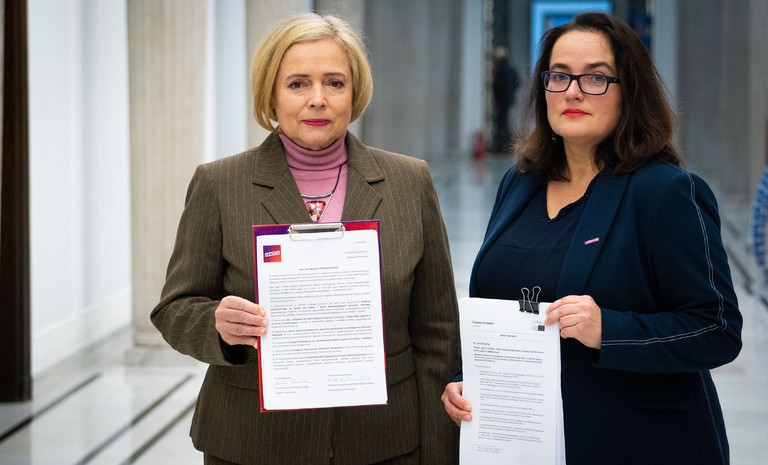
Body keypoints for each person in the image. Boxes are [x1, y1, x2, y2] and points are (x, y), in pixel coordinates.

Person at [151, 12, 461, 465]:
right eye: (297, 84)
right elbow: (174, 310)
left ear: (355, 93)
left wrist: (439, 451)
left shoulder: (408, 181)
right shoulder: (219, 184)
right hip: (253, 441)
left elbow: (438, 332)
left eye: (335, 83)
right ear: (271, 96)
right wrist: (216, 324)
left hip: (382, 440)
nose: (318, 99)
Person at [442, 12, 742, 465]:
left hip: (636, 442)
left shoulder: (664, 192)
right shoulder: (519, 183)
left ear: (630, 91)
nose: (573, 91)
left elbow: (718, 328)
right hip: (529, 443)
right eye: (559, 76)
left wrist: (610, 331)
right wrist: (467, 379)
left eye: (596, 78)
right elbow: (502, 305)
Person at [490, 46, 519, 152]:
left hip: (501, 100)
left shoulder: (500, 69)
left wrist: (496, 97)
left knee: (500, 123)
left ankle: (500, 146)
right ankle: (507, 145)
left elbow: (497, 85)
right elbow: (517, 83)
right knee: (505, 121)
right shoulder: (512, 69)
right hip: (509, 100)